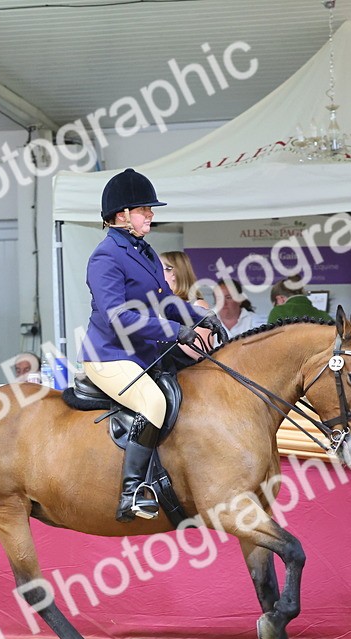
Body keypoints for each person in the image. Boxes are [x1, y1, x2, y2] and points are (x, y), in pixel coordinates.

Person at [80, 168, 226, 522]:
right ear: (122, 215)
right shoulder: (105, 257)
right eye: (145, 209)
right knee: (152, 401)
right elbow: (117, 317)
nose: (151, 214)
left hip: (144, 352)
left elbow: (164, 300)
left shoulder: (143, 251)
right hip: (110, 356)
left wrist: (197, 315)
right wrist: (173, 331)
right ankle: (131, 492)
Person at [160, 250, 211, 366]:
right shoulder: (156, 304)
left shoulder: (197, 305)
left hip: (184, 377)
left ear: (173, 273)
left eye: (158, 268)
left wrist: (170, 333)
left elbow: (202, 351)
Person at [265, 279, 334, 325]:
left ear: (280, 299)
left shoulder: (278, 312)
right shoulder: (325, 316)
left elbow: (269, 344)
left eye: (276, 305)